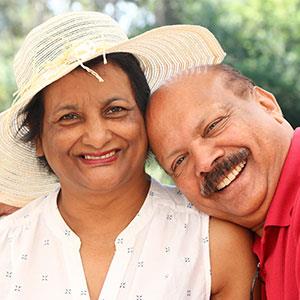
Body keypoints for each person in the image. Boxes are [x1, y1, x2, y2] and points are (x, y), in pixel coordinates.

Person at [0, 11, 258, 300]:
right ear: (38, 139)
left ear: (144, 117)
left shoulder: (214, 244)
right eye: (69, 117)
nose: (98, 137)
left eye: (115, 110)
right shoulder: (6, 245)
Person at [146, 55, 298, 298]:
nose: (205, 162)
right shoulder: (244, 247)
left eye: (213, 126)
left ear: (266, 105)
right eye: (180, 161)